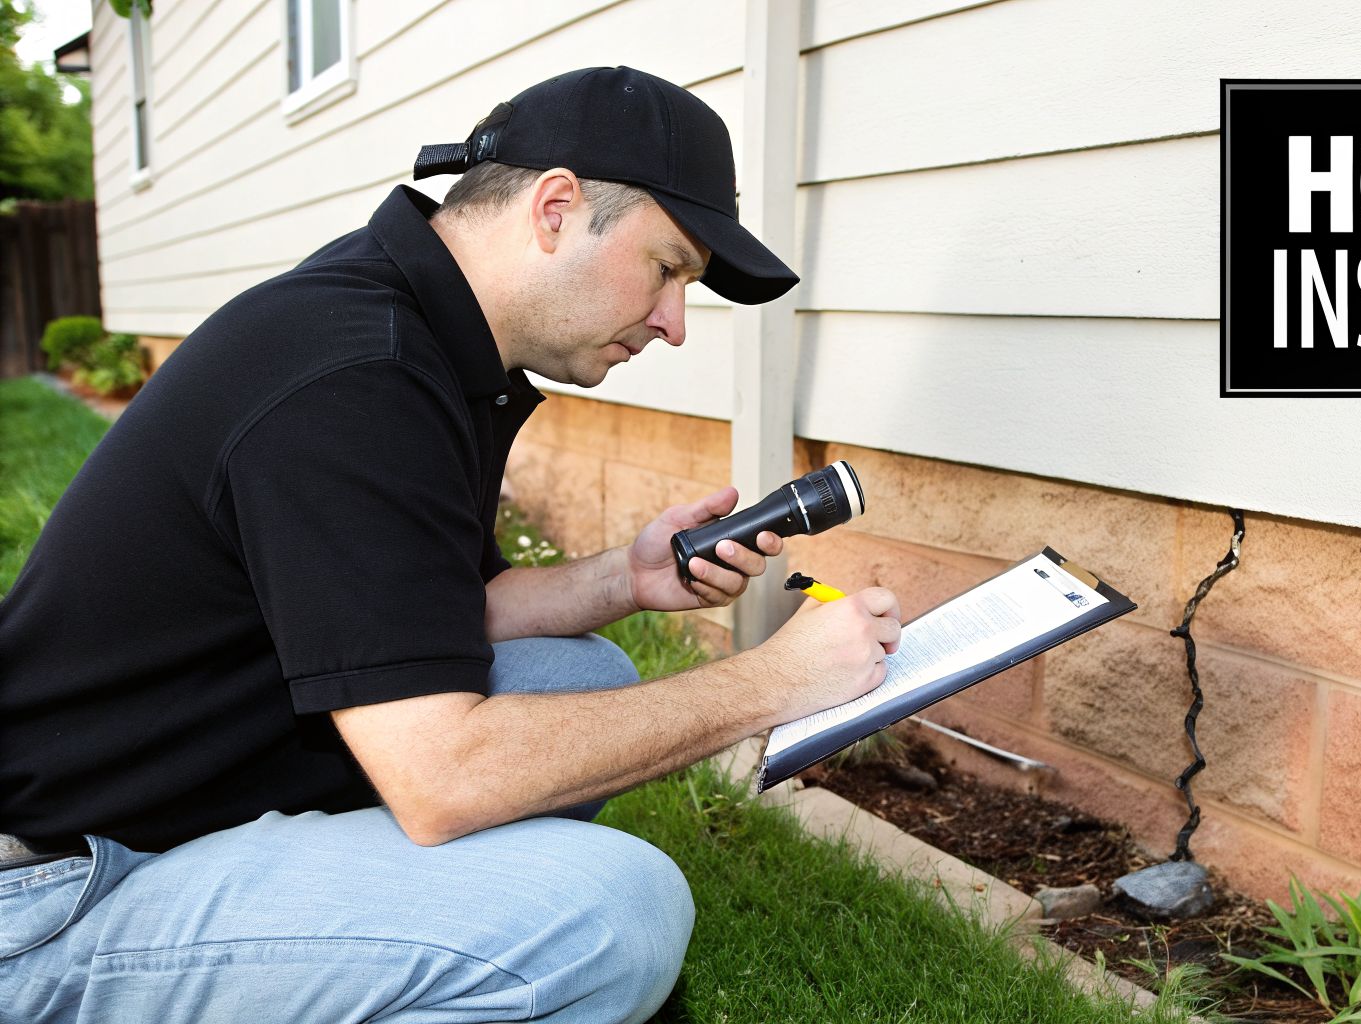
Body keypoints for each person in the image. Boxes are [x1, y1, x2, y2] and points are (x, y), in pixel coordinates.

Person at [0, 66, 901, 1023]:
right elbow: (443, 777)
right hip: (51, 892)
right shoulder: (355, 376)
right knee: (610, 910)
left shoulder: (414, 327)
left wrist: (625, 579)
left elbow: (429, 616)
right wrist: (774, 684)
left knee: (575, 672)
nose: (674, 323)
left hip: (177, 799)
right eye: (669, 268)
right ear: (555, 208)